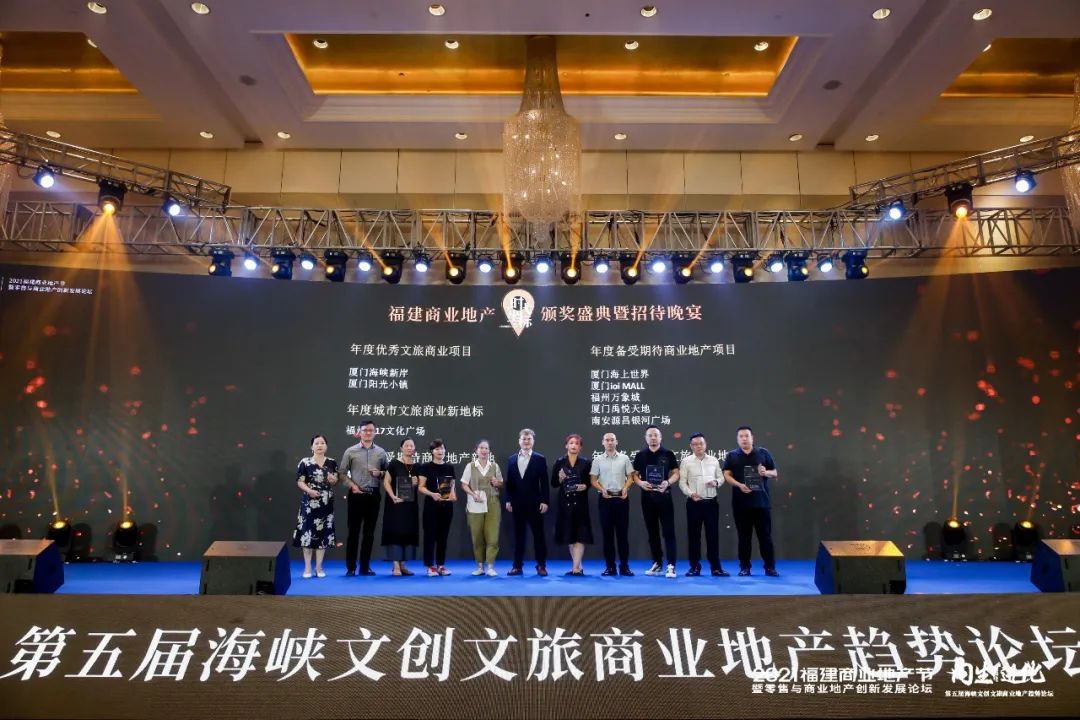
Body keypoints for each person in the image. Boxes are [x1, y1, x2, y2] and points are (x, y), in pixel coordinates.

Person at [721, 425, 779, 577]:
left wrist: (765, 472)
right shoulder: (732, 456)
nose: (744, 439)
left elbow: (774, 473)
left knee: (765, 537)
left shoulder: (763, 453)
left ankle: (770, 567)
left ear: (752, 438)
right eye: (741, 436)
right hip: (741, 504)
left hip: (761, 503)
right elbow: (726, 475)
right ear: (737, 439)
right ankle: (744, 567)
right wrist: (739, 485)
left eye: (747, 436)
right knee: (744, 538)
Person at [339, 420, 390, 576]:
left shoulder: (381, 452)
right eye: (365, 430)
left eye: (371, 430)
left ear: (375, 432)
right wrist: (352, 486)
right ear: (359, 432)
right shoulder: (350, 451)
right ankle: (351, 567)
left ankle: (365, 566)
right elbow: (341, 473)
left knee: (369, 533)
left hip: (373, 495)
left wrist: (380, 473)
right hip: (356, 495)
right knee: (353, 532)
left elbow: (388, 474)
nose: (368, 433)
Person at [631, 425, 680, 578]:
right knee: (652, 533)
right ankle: (657, 563)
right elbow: (634, 475)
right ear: (646, 438)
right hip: (647, 498)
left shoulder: (668, 454)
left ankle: (671, 565)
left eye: (655, 435)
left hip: (664, 497)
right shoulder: (640, 455)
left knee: (668, 532)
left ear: (660, 437)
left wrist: (668, 482)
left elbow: (676, 473)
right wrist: (640, 483)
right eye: (650, 435)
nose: (653, 438)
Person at [679, 433, 729, 577]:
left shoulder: (713, 460)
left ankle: (716, 567)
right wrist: (690, 493)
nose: (698, 446)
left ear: (705, 444)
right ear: (691, 446)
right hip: (694, 503)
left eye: (701, 443)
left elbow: (721, 477)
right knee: (694, 537)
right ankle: (694, 567)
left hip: (711, 503)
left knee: (713, 536)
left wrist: (716, 482)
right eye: (695, 444)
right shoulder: (686, 461)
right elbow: (682, 483)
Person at [589, 431, 635, 577]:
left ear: (616, 442)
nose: (609, 442)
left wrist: (626, 488)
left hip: (622, 499)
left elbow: (631, 477)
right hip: (605, 500)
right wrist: (601, 489)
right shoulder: (597, 460)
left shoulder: (624, 458)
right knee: (607, 535)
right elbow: (593, 480)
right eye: (607, 440)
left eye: (612, 440)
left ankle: (624, 567)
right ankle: (610, 567)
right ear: (603, 442)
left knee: (622, 535)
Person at [505, 428, 549, 576]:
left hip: (535, 504)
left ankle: (541, 565)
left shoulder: (540, 458)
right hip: (517, 503)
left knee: (538, 536)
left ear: (533, 441)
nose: (526, 441)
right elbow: (509, 483)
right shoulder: (512, 459)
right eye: (524, 439)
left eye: (529, 439)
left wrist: (545, 501)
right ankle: (517, 566)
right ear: (519, 441)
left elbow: (544, 483)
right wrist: (508, 500)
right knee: (519, 536)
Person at [292, 434, 338, 578]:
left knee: (323, 534)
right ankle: (307, 568)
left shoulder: (332, 462)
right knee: (307, 534)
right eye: (317, 443)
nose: (319, 445)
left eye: (322, 443)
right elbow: (300, 481)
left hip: (326, 503)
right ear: (311, 446)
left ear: (326, 446)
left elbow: (335, 481)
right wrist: (309, 491)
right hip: (309, 503)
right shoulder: (305, 462)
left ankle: (319, 567)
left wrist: (333, 480)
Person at [460, 438, 503, 577]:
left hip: (493, 503)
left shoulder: (495, 466)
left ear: (489, 451)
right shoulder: (470, 466)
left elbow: (500, 483)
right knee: (477, 536)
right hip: (475, 503)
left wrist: (497, 483)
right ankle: (480, 566)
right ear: (476, 450)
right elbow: (464, 484)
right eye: (481, 448)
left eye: (486, 448)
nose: (484, 450)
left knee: (492, 537)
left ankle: (490, 566)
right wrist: (473, 494)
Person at [551, 433, 593, 575]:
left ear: (580, 447)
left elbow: (590, 482)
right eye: (571, 443)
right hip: (565, 503)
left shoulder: (586, 463)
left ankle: (575, 568)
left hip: (580, 503)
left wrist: (585, 486)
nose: (574, 445)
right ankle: (578, 566)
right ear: (566, 445)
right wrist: (559, 479)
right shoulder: (560, 462)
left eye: (577, 443)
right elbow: (554, 483)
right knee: (570, 536)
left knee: (580, 535)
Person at [382, 437, 421, 576]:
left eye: (412, 446)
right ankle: (395, 566)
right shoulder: (394, 463)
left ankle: (403, 565)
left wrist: (416, 483)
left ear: (414, 449)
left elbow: (421, 485)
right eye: (406, 445)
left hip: (410, 506)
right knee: (395, 533)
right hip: (395, 505)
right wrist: (392, 496)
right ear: (401, 448)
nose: (409, 448)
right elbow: (386, 482)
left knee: (408, 533)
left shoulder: (417, 466)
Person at [419, 439, 457, 576]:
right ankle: (430, 566)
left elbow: (452, 486)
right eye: (437, 449)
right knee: (430, 537)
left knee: (443, 537)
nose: (440, 451)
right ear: (432, 451)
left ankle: (441, 565)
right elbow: (421, 487)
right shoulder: (426, 467)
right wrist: (432, 494)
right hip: (431, 506)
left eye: (442, 448)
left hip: (446, 507)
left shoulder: (449, 467)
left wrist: (453, 495)